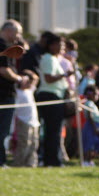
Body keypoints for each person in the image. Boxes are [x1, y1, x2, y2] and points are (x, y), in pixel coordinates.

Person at [35, 33, 73, 167]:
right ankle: (51, 160)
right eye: (59, 44)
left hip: (56, 96)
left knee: (55, 131)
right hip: (50, 96)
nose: (62, 47)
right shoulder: (48, 58)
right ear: (51, 45)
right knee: (53, 131)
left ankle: (52, 159)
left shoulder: (54, 59)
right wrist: (65, 74)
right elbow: (49, 78)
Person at [0, 19, 25, 166]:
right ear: (9, 31)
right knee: (2, 131)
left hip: (5, 94)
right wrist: (19, 79)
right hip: (4, 95)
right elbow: (3, 70)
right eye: (18, 33)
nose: (19, 36)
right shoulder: (3, 46)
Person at [12, 70, 38, 167]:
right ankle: (19, 163)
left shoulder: (30, 91)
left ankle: (31, 163)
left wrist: (29, 75)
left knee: (34, 143)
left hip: (34, 121)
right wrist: (20, 79)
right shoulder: (17, 92)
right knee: (24, 143)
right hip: (23, 120)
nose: (28, 83)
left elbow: (36, 78)